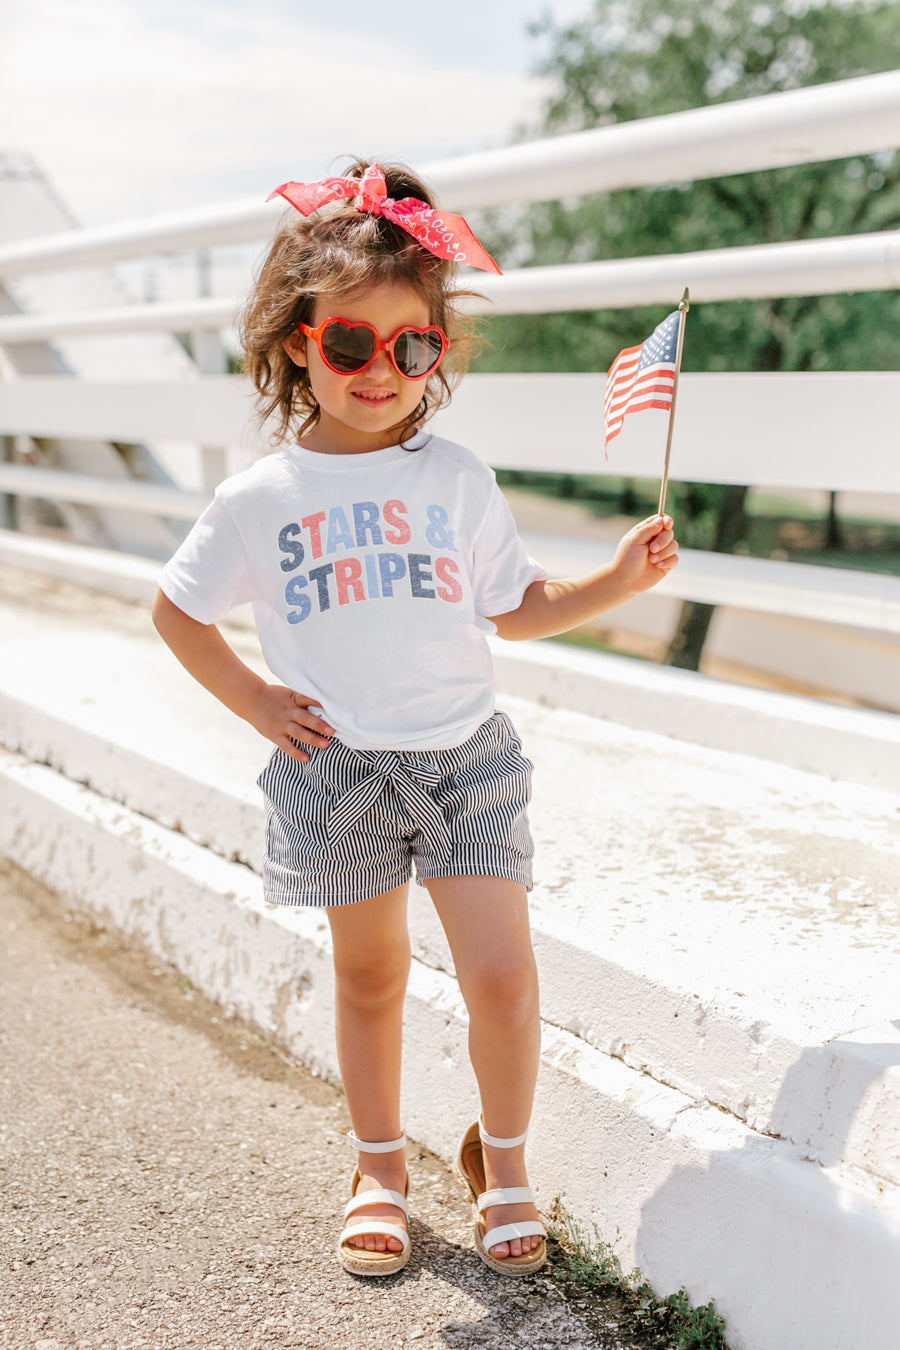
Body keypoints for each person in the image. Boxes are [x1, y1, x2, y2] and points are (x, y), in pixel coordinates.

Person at [151, 158, 679, 1280]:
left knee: (501, 976)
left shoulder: (456, 480)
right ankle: (379, 1166)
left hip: (466, 764)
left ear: (436, 349)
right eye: (350, 343)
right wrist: (253, 700)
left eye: (412, 345)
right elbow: (178, 611)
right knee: (371, 975)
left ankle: (506, 1161)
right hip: (338, 770)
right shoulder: (261, 499)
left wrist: (616, 586)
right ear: (299, 341)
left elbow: (515, 610)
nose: (380, 370)